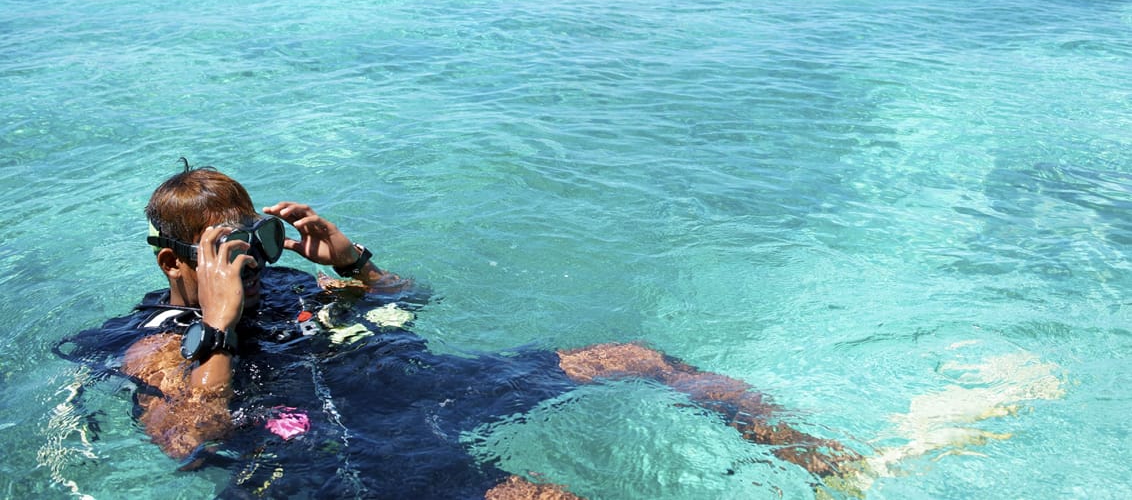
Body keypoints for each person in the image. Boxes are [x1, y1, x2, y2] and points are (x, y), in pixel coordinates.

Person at [56, 162, 858, 499]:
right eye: (225, 251)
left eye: (253, 242)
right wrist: (221, 329)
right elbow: (190, 436)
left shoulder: (288, 289)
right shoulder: (153, 341)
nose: (252, 265)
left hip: (423, 387)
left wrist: (357, 263)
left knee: (640, 355)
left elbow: (413, 304)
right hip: (346, 452)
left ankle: (813, 453)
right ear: (174, 262)